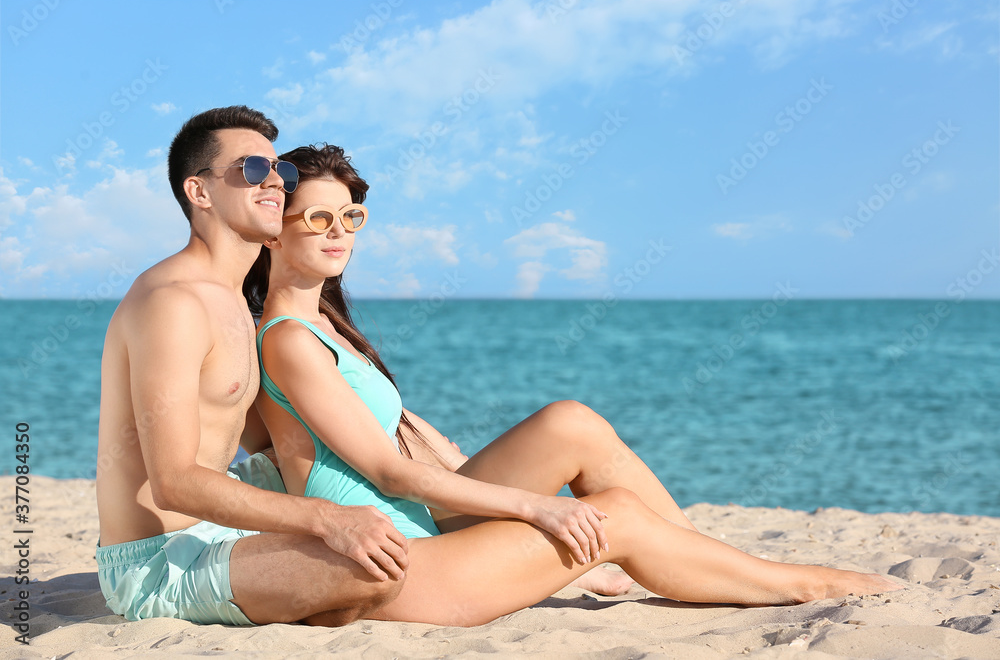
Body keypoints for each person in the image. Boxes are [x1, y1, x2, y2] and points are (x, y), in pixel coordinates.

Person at [244, 142, 903, 626]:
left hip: (421, 530)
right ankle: (792, 583)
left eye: (350, 218)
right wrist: (537, 506)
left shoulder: (326, 328)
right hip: (401, 566)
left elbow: (411, 442)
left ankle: (719, 564)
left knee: (571, 422)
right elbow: (390, 472)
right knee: (615, 513)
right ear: (274, 232)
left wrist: (504, 490)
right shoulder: (286, 339)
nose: (339, 235)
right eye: (318, 220)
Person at [95, 106, 414, 628]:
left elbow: (267, 444)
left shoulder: (237, 306)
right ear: (199, 192)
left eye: (280, 172)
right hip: (162, 559)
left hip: (219, 528)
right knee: (369, 568)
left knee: (377, 474)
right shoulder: (173, 303)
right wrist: (328, 518)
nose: (275, 182)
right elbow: (173, 482)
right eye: (250, 170)